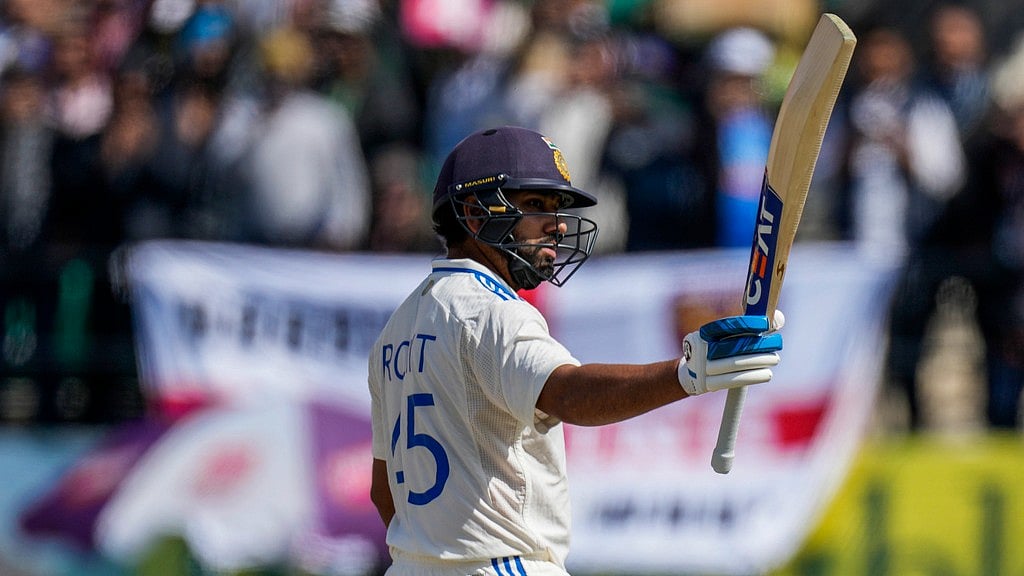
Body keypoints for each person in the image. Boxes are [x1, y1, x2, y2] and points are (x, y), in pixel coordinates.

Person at [367, 126, 784, 575]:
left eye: (557, 208)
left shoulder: (396, 330)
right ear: (473, 212)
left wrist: (434, 553)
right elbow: (566, 392)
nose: (559, 225)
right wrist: (687, 373)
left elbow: (384, 491)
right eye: (535, 205)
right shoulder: (492, 311)